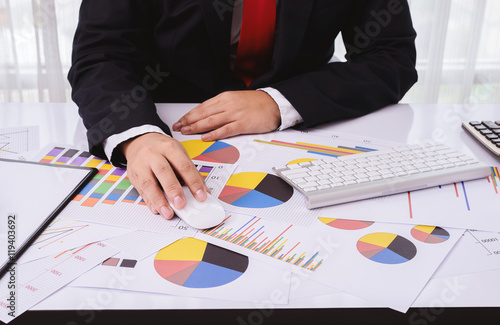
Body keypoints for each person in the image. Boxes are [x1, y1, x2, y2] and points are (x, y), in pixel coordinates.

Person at [68, 0, 417, 220]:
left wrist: (280, 101)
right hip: (172, 126)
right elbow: (102, 53)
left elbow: (391, 57)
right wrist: (137, 134)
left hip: (301, 136)